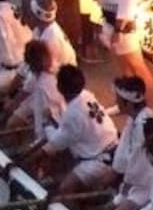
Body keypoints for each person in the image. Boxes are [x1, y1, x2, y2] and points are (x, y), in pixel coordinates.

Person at [31, 63, 118, 196]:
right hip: (107, 147)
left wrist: (46, 122)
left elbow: (55, 143)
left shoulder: (73, 114)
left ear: (60, 87)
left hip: (99, 159)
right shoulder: (86, 94)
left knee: (65, 188)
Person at [95, 74, 153, 195]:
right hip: (129, 170)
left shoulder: (141, 128)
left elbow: (135, 162)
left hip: (144, 183)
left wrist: (123, 183)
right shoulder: (138, 115)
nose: (115, 102)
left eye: (118, 99)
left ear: (129, 104)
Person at [3, 38, 63, 138]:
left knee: (11, 124)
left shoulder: (41, 85)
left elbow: (44, 117)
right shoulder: (39, 77)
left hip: (51, 122)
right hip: (51, 114)